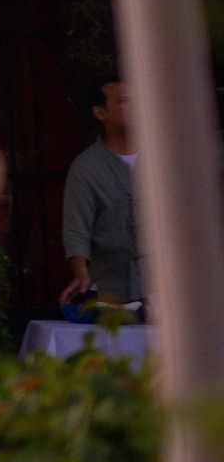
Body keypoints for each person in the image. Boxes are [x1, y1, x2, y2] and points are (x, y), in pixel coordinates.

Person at [61, 79, 140, 305]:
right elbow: (77, 229)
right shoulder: (87, 167)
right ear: (100, 112)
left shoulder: (164, 158)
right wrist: (80, 272)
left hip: (165, 285)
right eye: (124, 100)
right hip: (110, 287)